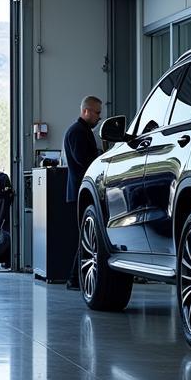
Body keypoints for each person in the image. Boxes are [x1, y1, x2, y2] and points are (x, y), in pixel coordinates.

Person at [64, 95, 103, 291]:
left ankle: (76, 278)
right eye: (96, 113)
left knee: (85, 237)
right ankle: (74, 279)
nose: (99, 117)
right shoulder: (78, 132)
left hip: (80, 192)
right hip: (81, 192)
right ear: (86, 111)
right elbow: (83, 160)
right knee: (85, 238)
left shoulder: (80, 131)